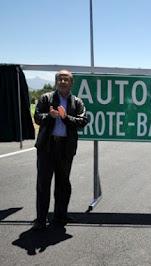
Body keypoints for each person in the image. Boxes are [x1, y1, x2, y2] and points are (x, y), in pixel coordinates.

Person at [32, 69, 88, 230]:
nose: (63, 82)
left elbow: (83, 121)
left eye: (66, 80)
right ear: (56, 82)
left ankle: (60, 216)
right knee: (43, 184)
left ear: (71, 83)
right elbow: (37, 117)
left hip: (65, 148)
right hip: (47, 148)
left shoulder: (77, 102)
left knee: (63, 184)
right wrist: (50, 116)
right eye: (60, 79)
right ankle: (41, 220)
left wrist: (65, 117)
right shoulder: (46, 98)